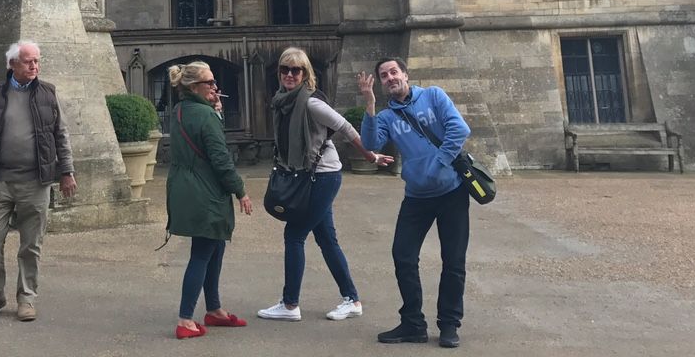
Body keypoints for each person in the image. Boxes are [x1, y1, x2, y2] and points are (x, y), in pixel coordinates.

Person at [257, 47, 392, 323]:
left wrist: (369, 155)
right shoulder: (282, 100)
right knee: (326, 239)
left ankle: (290, 303)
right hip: (309, 175)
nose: (290, 75)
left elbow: (344, 127)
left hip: (322, 176)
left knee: (294, 235)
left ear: (306, 74)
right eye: (285, 69)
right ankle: (352, 299)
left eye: (296, 70)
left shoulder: (310, 103)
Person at [359, 57, 471, 349]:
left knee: (454, 261)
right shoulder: (386, 116)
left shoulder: (433, 96)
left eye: (394, 72)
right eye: (384, 76)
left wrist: (437, 164)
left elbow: (460, 130)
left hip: (452, 193)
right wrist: (370, 105)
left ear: (405, 74)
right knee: (403, 257)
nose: (390, 77)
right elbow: (371, 144)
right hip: (417, 198)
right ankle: (413, 323)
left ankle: (448, 324)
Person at [0, 41, 76, 323]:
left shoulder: (48, 94)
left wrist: (67, 172)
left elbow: (61, 135)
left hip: (35, 182)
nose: (35, 66)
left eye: (37, 61)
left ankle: (26, 298)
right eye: (28, 62)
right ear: (12, 64)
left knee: (31, 244)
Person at [165, 61, 253, 340]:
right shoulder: (205, 116)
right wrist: (240, 191)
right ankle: (185, 319)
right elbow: (220, 159)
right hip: (206, 191)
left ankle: (213, 309)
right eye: (210, 83)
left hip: (184, 187)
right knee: (202, 253)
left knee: (213, 247)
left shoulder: (180, 110)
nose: (215, 88)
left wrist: (216, 114)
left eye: (214, 83)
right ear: (194, 87)